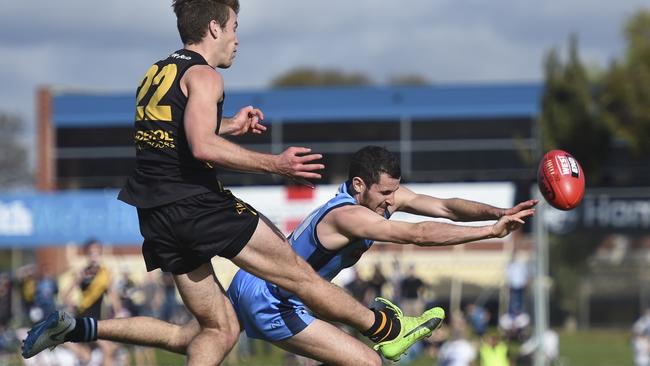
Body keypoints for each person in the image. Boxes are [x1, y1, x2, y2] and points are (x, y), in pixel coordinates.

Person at [22, 2, 443, 365]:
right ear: (214, 28)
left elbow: (178, 134)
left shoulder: (158, 72)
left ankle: (77, 327)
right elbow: (201, 147)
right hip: (196, 204)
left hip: (154, 214)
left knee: (217, 330)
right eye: (235, 28)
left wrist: (230, 124)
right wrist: (276, 164)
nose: (237, 40)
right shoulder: (206, 76)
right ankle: (388, 329)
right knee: (299, 275)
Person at [226, 145, 537, 365]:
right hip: (274, 301)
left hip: (251, 278)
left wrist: (500, 213)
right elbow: (418, 234)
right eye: (385, 193)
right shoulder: (347, 216)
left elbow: (445, 207)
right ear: (359, 185)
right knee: (368, 363)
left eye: (394, 191)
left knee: (199, 340)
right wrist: (488, 233)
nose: (391, 202)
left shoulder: (377, 198)